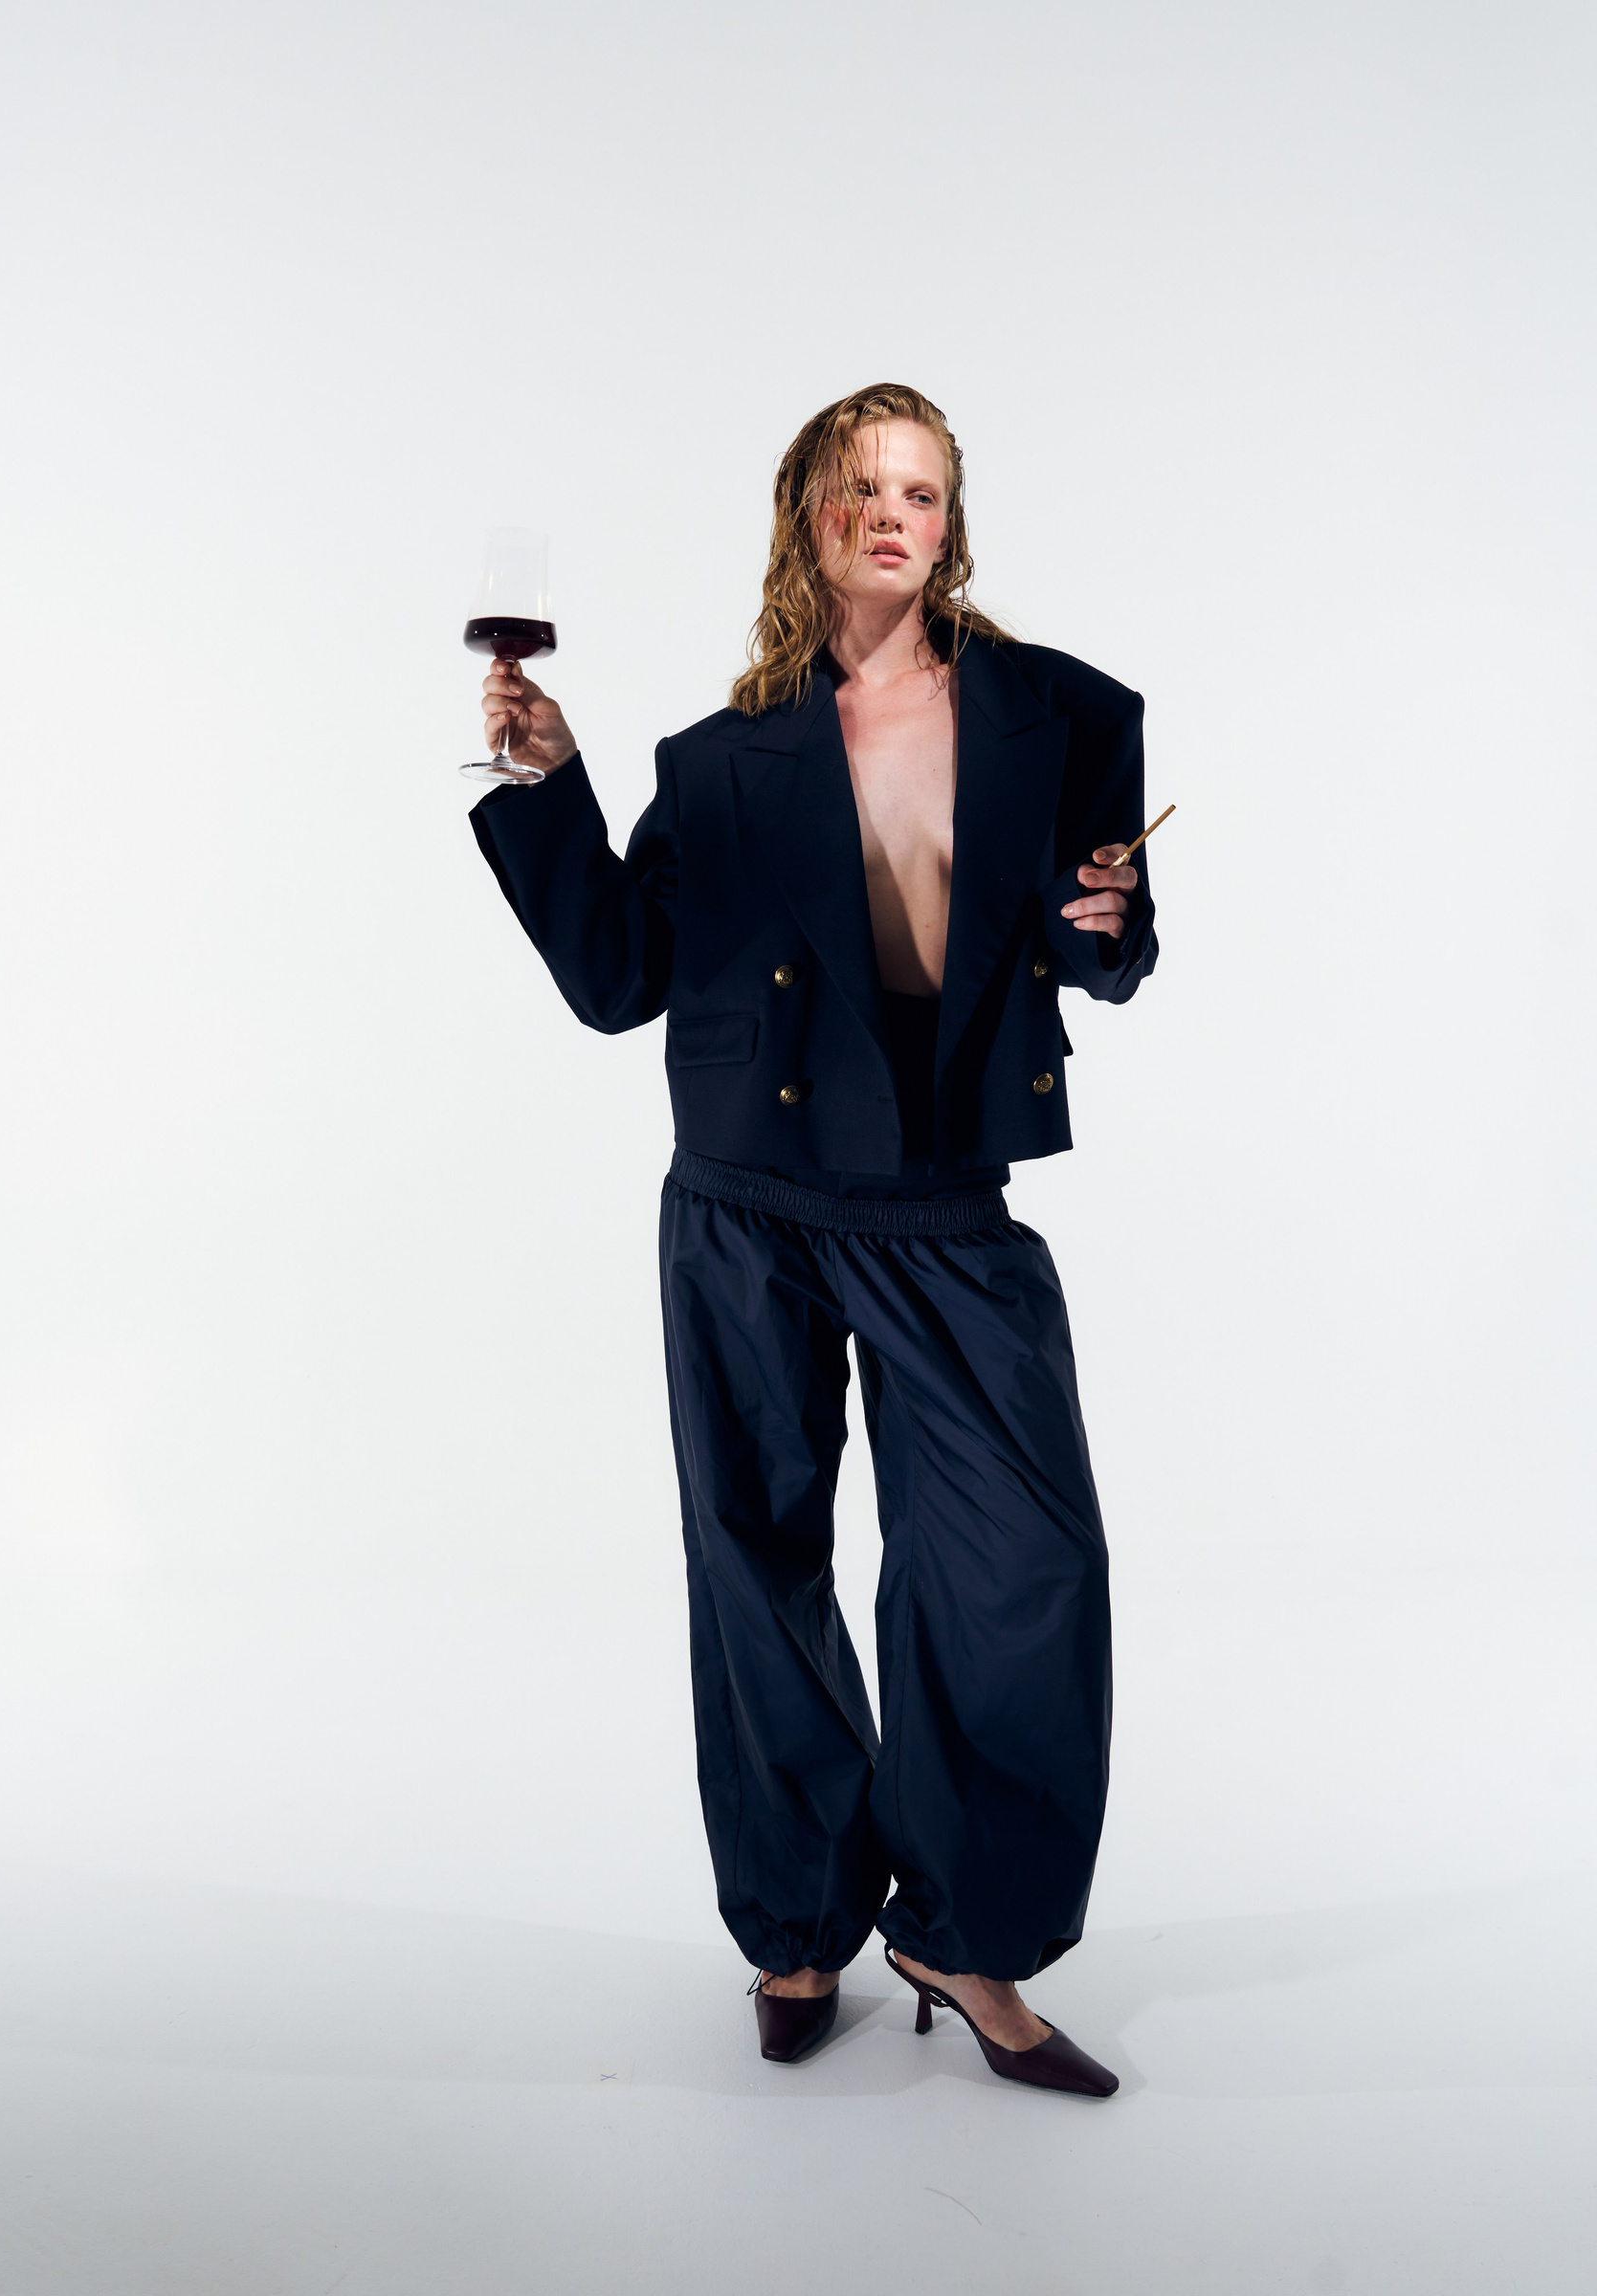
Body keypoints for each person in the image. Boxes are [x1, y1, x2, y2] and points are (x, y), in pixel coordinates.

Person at [469, 384, 1157, 2100]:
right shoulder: (723, 760)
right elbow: (620, 979)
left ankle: (964, 1932)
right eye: (863, 486)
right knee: (756, 1560)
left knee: (1019, 1572)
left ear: (952, 521)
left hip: (946, 1208)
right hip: (748, 1206)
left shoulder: (1063, 712)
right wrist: (549, 785)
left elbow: (1107, 946)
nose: (894, 514)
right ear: (810, 514)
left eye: (922, 489)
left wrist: (1115, 918)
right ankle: (796, 1921)